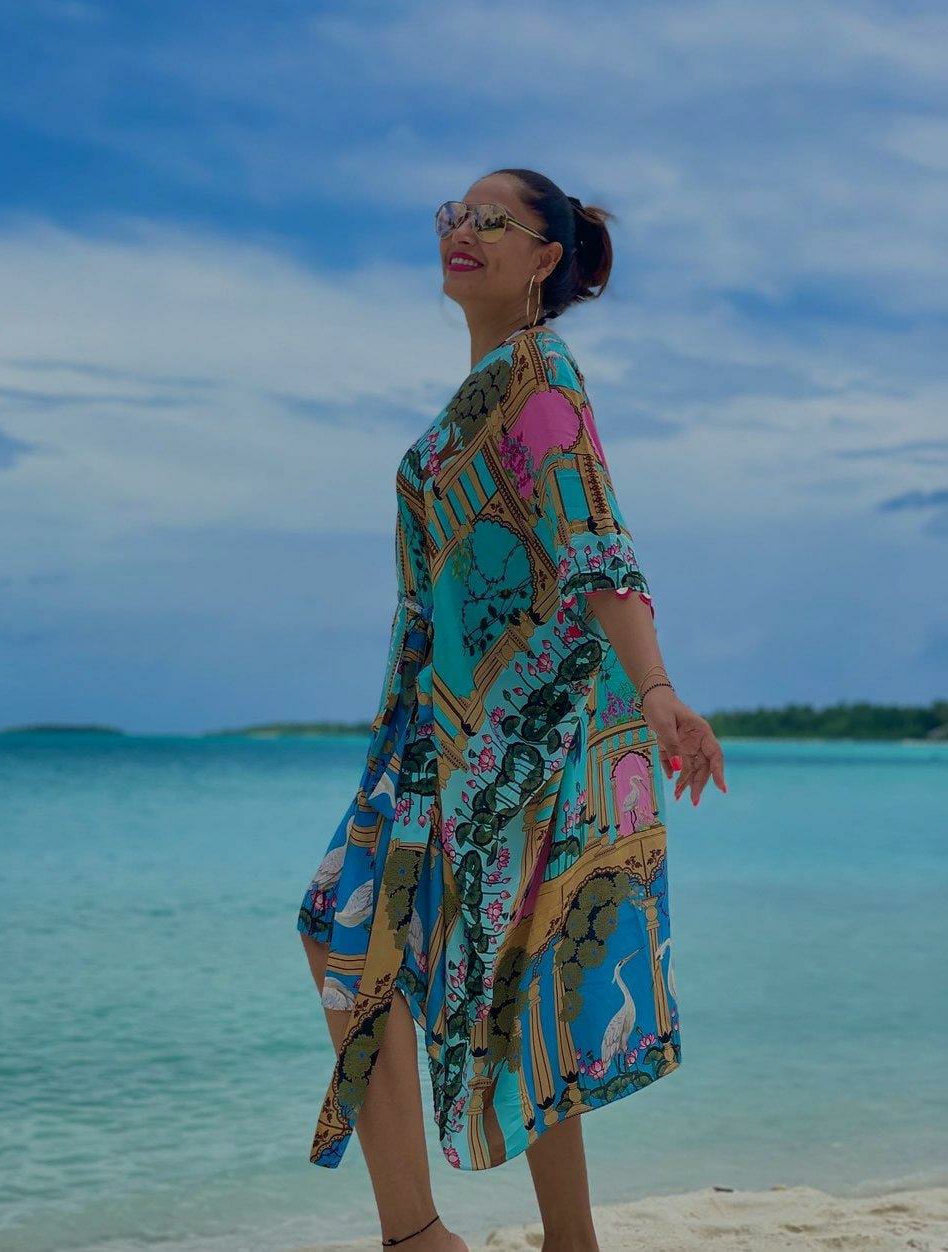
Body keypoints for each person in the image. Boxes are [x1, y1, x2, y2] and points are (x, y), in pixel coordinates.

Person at [297, 168, 727, 1252]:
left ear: (544, 260)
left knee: (356, 931)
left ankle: (419, 1238)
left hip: (520, 737)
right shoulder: (479, 396)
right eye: (456, 214)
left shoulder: (540, 373)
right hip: (441, 734)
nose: (465, 230)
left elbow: (596, 539)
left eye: (494, 221)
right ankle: (551, 1240)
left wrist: (659, 689)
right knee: (501, 973)